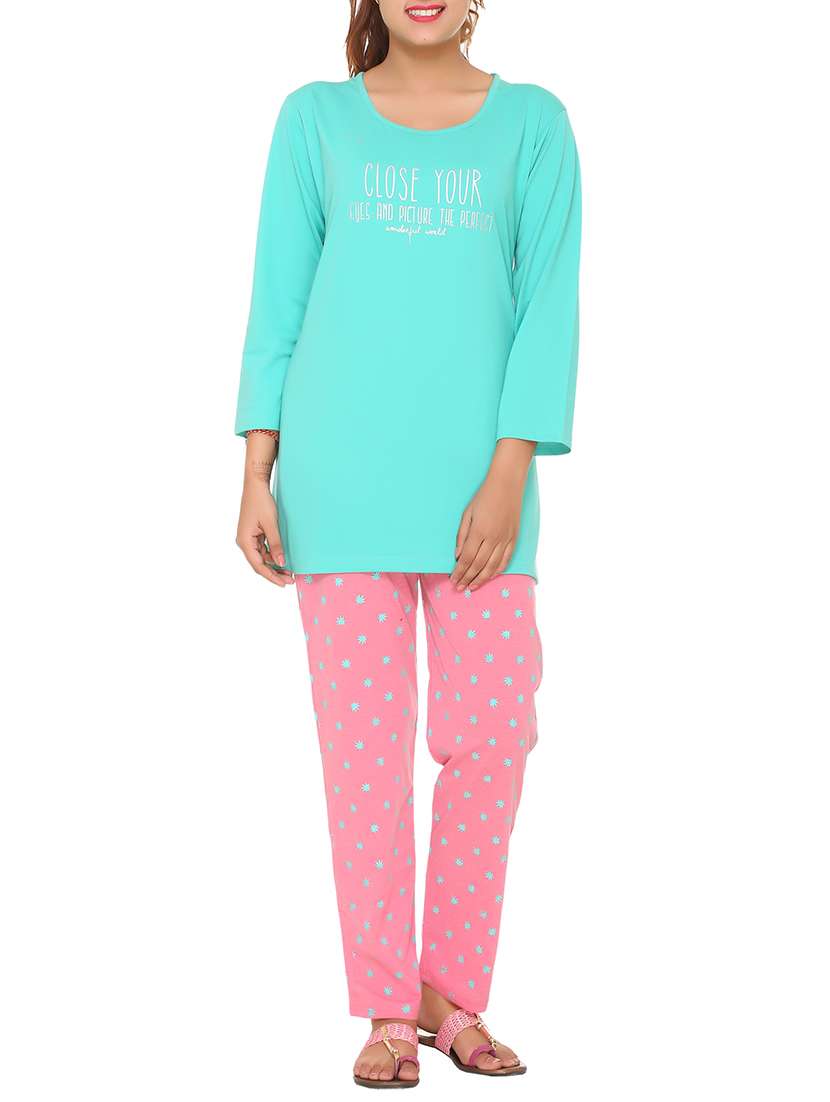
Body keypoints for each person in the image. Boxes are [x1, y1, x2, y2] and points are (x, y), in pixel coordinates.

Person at [234, 0, 581, 1087]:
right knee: (363, 762)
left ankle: (451, 991)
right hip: (337, 487)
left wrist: (509, 473)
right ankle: (389, 1005)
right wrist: (256, 470)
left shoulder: (533, 124)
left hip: (482, 496)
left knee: (493, 740)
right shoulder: (313, 121)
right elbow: (279, 302)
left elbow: (547, 306)